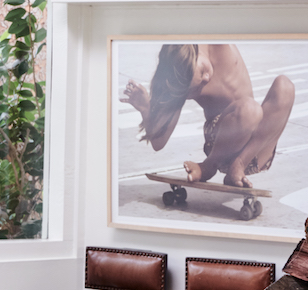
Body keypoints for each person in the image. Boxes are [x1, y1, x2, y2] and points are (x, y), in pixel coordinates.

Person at [121, 43, 294, 189]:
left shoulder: (216, 41)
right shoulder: (178, 85)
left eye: (203, 69)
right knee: (250, 109)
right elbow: (158, 143)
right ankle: (208, 167)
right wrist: (145, 109)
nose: (206, 78)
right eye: (197, 89)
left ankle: (239, 165)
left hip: (256, 151)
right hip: (221, 146)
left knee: (285, 86)